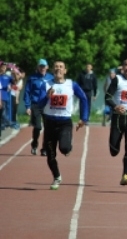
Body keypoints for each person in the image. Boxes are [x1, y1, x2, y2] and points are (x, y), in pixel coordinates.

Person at [41, 61, 89, 190]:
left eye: (61, 67)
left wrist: (83, 118)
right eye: (56, 67)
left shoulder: (71, 85)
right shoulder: (46, 84)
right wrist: (46, 97)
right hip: (50, 122)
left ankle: (68, 147)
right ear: (52, 70)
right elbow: (39, 103)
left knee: (64, 148)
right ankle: (57, 177)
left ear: (65, 71)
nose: (58, 69)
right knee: (50, 154)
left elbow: (83, 98)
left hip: (64, 123)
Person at [24, 59, 54, 156]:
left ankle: (44, 148)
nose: (42, 68)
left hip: (47, 105)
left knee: (48, 128)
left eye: (44, 66)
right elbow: (27, 92)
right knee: (37, 127)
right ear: (38, 67)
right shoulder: (32, 78)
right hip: (36, 105)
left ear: (47, 67)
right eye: (40, 66)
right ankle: (34, 144)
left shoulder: (51, 78)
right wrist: (27, 106)